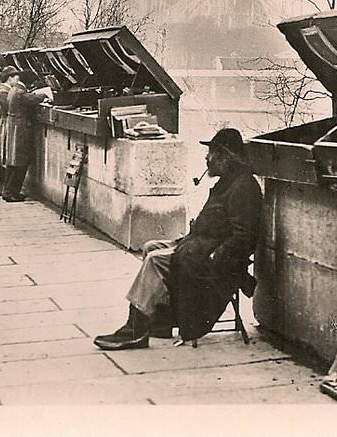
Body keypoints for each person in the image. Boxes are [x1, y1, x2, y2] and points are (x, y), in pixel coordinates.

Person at [93, 128, 262, 350]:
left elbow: (244, 237)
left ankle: (135, 330)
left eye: (211, 152)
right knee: (150, 246)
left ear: (225, 156)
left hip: (211, 259)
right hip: (200, 246)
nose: (207, 158)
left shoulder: (243, 187)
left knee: (155, 260)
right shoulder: (228, 182)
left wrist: (214, 256)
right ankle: (161, 321)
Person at [3, 69, 48, 202]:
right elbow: (31, 99)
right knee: (20, 160)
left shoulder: (13, 89)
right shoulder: (20, 92)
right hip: (20, 128)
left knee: (13, 161)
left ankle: (9, 191)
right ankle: (12, 193)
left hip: (14, 126)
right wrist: (45, 94)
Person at [0, 65, 19, 195]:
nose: (17, 81)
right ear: (9, 79)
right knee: (6, 156)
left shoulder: (2, 90)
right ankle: (5, 189)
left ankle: (4, 188)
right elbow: (11, 108)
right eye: (15, 78)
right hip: (7, 124)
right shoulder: (4, 92)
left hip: (5, 123)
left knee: (5, 156)